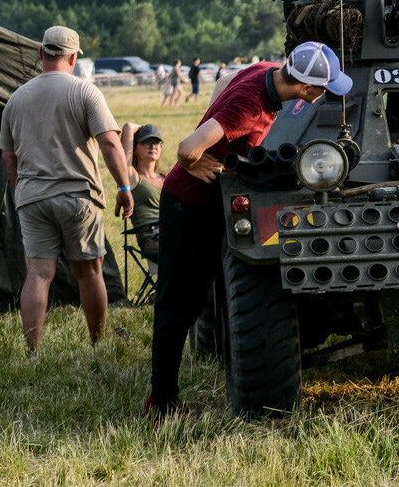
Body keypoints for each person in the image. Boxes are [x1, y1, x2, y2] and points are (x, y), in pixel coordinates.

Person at [144, 41, 353, 418]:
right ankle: (161, 404)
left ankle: (164, 398)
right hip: (188, 204)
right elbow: (188, 146)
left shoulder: (268, 70)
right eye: (324, 89)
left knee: (191, 300)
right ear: (306, 90)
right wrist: (195, 164)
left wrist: (225, 151)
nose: (325, 94)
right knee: (177, 306)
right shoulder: (249, 108)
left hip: (204, 204)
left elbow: (224, 80)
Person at [0, 26, 134, 352]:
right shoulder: (85, 91)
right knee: (89, 272)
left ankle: (33, 350)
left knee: (39, 273)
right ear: (73, 57)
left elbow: (7, 154)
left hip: (32, 198)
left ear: (41, 54)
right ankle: (97, 343)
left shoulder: (16, 98)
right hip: (77, 197)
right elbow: (110, 143)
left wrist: (21, 191)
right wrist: (124, 186)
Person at [120, 123, 166, 253]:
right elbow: (128, 128)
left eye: (157, 142)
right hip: (153, 239)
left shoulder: (165, 179)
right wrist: (140, 128)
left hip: (174, 233)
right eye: (147, 142)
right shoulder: (132, 178)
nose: (153, 146)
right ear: (134, 149)